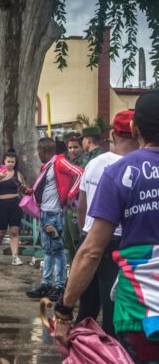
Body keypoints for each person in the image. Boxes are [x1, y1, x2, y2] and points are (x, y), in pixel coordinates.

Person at [56, 92, 159, 362]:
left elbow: (91, 251)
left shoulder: (119, 173)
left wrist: (64, 310)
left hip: (139, 308)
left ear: (135, 129)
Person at [73, 110, 138, 336]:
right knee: (112, 310)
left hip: (89, 237)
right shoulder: (136, 166)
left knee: (87, 308)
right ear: (137, 133)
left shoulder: (95, 163)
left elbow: (81, 205)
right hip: (117, 243)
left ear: (113, 134)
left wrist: (85, 233)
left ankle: (80, 352)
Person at [25, 137, 83, 301]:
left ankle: (59, 285)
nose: (37, 154)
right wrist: (29, 191)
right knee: (48, 250)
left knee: (57, 250)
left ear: (45, 150)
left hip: (55, 213)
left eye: (38, 151)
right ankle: (46, 284)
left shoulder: (59, 162)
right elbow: (44, 187)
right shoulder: (48, 165)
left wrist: (71, 194)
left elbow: (79, 173)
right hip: (45, 213)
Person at [0, 151, 27, 266]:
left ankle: (15, 256)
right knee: (1, 231)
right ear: (4, 161)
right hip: (2, 204)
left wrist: (25, 197)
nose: (10, 164)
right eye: (8, 161)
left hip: (15, 204)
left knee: (14, 231)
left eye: (12, 162)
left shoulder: (18, 174)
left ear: (15, 163)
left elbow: (23, 190)